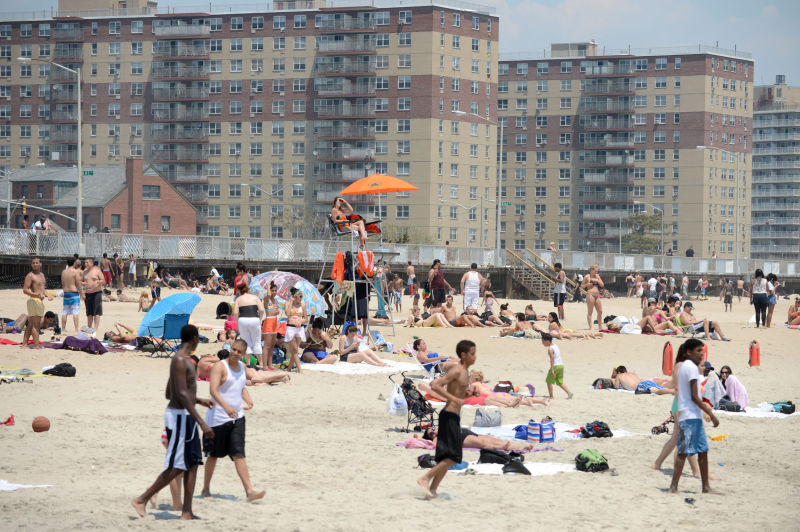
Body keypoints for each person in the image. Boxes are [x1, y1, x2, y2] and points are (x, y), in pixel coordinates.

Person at [131, 325, 215, 520]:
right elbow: (182, 395)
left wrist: (199, 400)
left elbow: (171, 392)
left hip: (186, 415)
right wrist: (201, 422)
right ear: (194, 338)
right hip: (179, 417)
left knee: (193, 463)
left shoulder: (184, 360)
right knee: (177, 466)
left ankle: (187, 512)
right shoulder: (179, 360)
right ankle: (141, 499)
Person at [200, 339, 265, 503]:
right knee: (213, 455)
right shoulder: (220, 366)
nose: (235, 353)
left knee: (239, 454)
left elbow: (241, 387)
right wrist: (226, 407)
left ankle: (249, 491)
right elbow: (213, 390)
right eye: (233, 350)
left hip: (237, 418)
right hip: (217, 419)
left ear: (243, 354)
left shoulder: (242, 367)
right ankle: (206, 488)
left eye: (239, 351)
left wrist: (249, 401)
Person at [416, 339, 475, 499]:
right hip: (448, 415)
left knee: (447, 457)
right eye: (472, 354)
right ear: (463, 355)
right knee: (453, 457)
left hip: (454, 416)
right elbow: (436, 385)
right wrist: (453, 399)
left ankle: (432, 491)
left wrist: (469, 394)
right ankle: (425, 478)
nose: (474, 357)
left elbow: (458, 393)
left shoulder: (465, 372)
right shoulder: (456, 370)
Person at [669, 338, 719, 495]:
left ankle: (706, 487)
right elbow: (694, 396)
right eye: (698, 351)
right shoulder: (690, 367)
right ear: (688, 352)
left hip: (692, 415)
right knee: (683, 452)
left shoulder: (685, 366)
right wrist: (711, 413)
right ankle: (674, 487)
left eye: (702, 351)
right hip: (689, 415)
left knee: (702, 451)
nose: (701, 355)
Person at [651, 342, 702, 477]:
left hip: (682, 405)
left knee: (676, 439)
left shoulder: (687, 367)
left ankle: (657, 464)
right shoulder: (681, 366)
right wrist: (663, 391)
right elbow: (678, 388)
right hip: (681, 406)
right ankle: (691, 471)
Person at [419, 426, 534, 452]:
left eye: (433, 429)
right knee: (483, 443)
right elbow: (434, 445)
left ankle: (520, 447)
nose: (434, 431)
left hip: (468, 432)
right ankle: (503, 448)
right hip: (461, 439)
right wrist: (429, 438)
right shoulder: (438, 438)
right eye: (432, 433)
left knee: (494, 440)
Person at [21, 257, 52, 349]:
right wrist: (35, 294)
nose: (35, 264)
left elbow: (42, 289)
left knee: (31, 324)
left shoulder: (42, 275)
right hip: (34, 301)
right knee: (36, 325)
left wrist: (48, 295)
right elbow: (25, 290)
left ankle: (24, 344)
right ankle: (36, 346)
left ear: (40, 264)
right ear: (31, 265)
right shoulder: (30, 276)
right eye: (33, 263)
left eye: (36, 263)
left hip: (38, 301)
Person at [232, 283, 265, 366]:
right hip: (254, 319)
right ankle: (261, 363)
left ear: (239, 291)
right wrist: (259, 319)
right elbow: (261, 310)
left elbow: (235, 313)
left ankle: (248, 363)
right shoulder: (255, 297)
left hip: (242, 320)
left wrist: (238, 322)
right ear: (248, 290)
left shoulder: (238, 299)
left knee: (246, 342)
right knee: (257, 342)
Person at [283, 288, 308, 373]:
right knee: (295, 350)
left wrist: (301, 321)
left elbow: (306, 318)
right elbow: (287, 314)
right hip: (291, 327)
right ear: (295, 296)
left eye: (302, 296)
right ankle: (300, 369)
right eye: (300, 296)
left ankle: (289, 368)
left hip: (299, 328)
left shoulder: (302, 306)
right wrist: (290, 302)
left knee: (295, 350)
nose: (301, 298)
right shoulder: (287, 304)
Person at [541, 333, 572, 399]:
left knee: (548, 381)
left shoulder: (550, 349)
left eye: (543, 342)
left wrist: (552, 370)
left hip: (555, 366)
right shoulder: (555, 345)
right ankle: (569, 393)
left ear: (548, 341)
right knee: (559, 382)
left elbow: (552, 360)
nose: (542, 343)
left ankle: (551, 396)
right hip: (561, 365)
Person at [261, 281, 280, 370]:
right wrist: (268, 286)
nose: (274, 292)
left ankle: (270, 364)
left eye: (275, 290)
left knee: (272, 345)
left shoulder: (275, 300)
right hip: (268, 322)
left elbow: (276, 311)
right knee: (267, 345)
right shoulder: (266, 298)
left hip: (274, 323)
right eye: (272, 290)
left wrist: (277, 312)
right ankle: (264, 365)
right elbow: (268, 296)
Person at [61, 256, 82, 333]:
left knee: (65, 312)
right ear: (74, 263)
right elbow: (78, 283)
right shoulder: (75, 271)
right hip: (74, 293)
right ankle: (76, 330)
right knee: (75, 312)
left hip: (66, 293)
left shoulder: (64, 272)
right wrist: (82, 293)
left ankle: (63, 329)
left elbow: (63, 283)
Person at [580, 264, 604, 331]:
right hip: (590, 294)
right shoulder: (587, 277)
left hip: (597, 295)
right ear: (591, 270)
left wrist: (597, 281)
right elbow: (582, 286)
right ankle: (591, 327)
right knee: (590, 312)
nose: (596, 272)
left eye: (597, 271)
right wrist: (587, 284)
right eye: (595, 271)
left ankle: (600, 326)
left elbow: (602, 285)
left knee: (600, 311)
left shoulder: (597, 276)